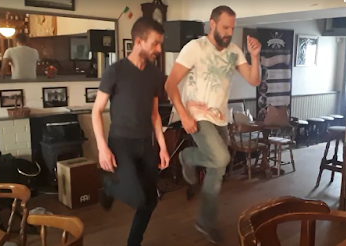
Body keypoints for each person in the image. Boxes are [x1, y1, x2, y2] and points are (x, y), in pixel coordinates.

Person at [165, 5, 261, 244]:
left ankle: (204, 219)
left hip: (220, 117)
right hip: (196, 115)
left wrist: (255, 56)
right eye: (226, 27)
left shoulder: (235, 51)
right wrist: (184, 116)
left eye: (232, 28)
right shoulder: (194, 48)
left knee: (217, 171)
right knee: (221, 158)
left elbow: (253, 79)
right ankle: (188, 158)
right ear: (213, 24)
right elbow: (170, 84)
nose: (229, 32)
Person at [92, 17, 170, 246]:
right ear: (139, 41)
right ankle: (109, 186)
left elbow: (155, 115)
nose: (159, 49)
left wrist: (163, 147)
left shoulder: (155, 74)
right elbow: (96, 111)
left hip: (146, 143)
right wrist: (102, 148)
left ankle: (133, 242)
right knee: (137, 197)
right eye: (155, 43)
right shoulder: (114, 71)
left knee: (150, 201)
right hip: (121, 143)